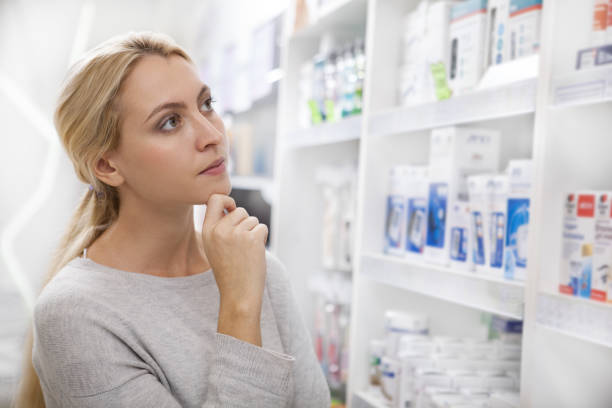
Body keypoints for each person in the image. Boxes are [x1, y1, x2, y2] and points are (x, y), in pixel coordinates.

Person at [12, 31, 330, 408]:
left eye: (207, 104)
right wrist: (240, 306)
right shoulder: (76, 314)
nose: (212, 134)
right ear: (106, 165)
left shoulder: (259, 267)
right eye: (170, 122)